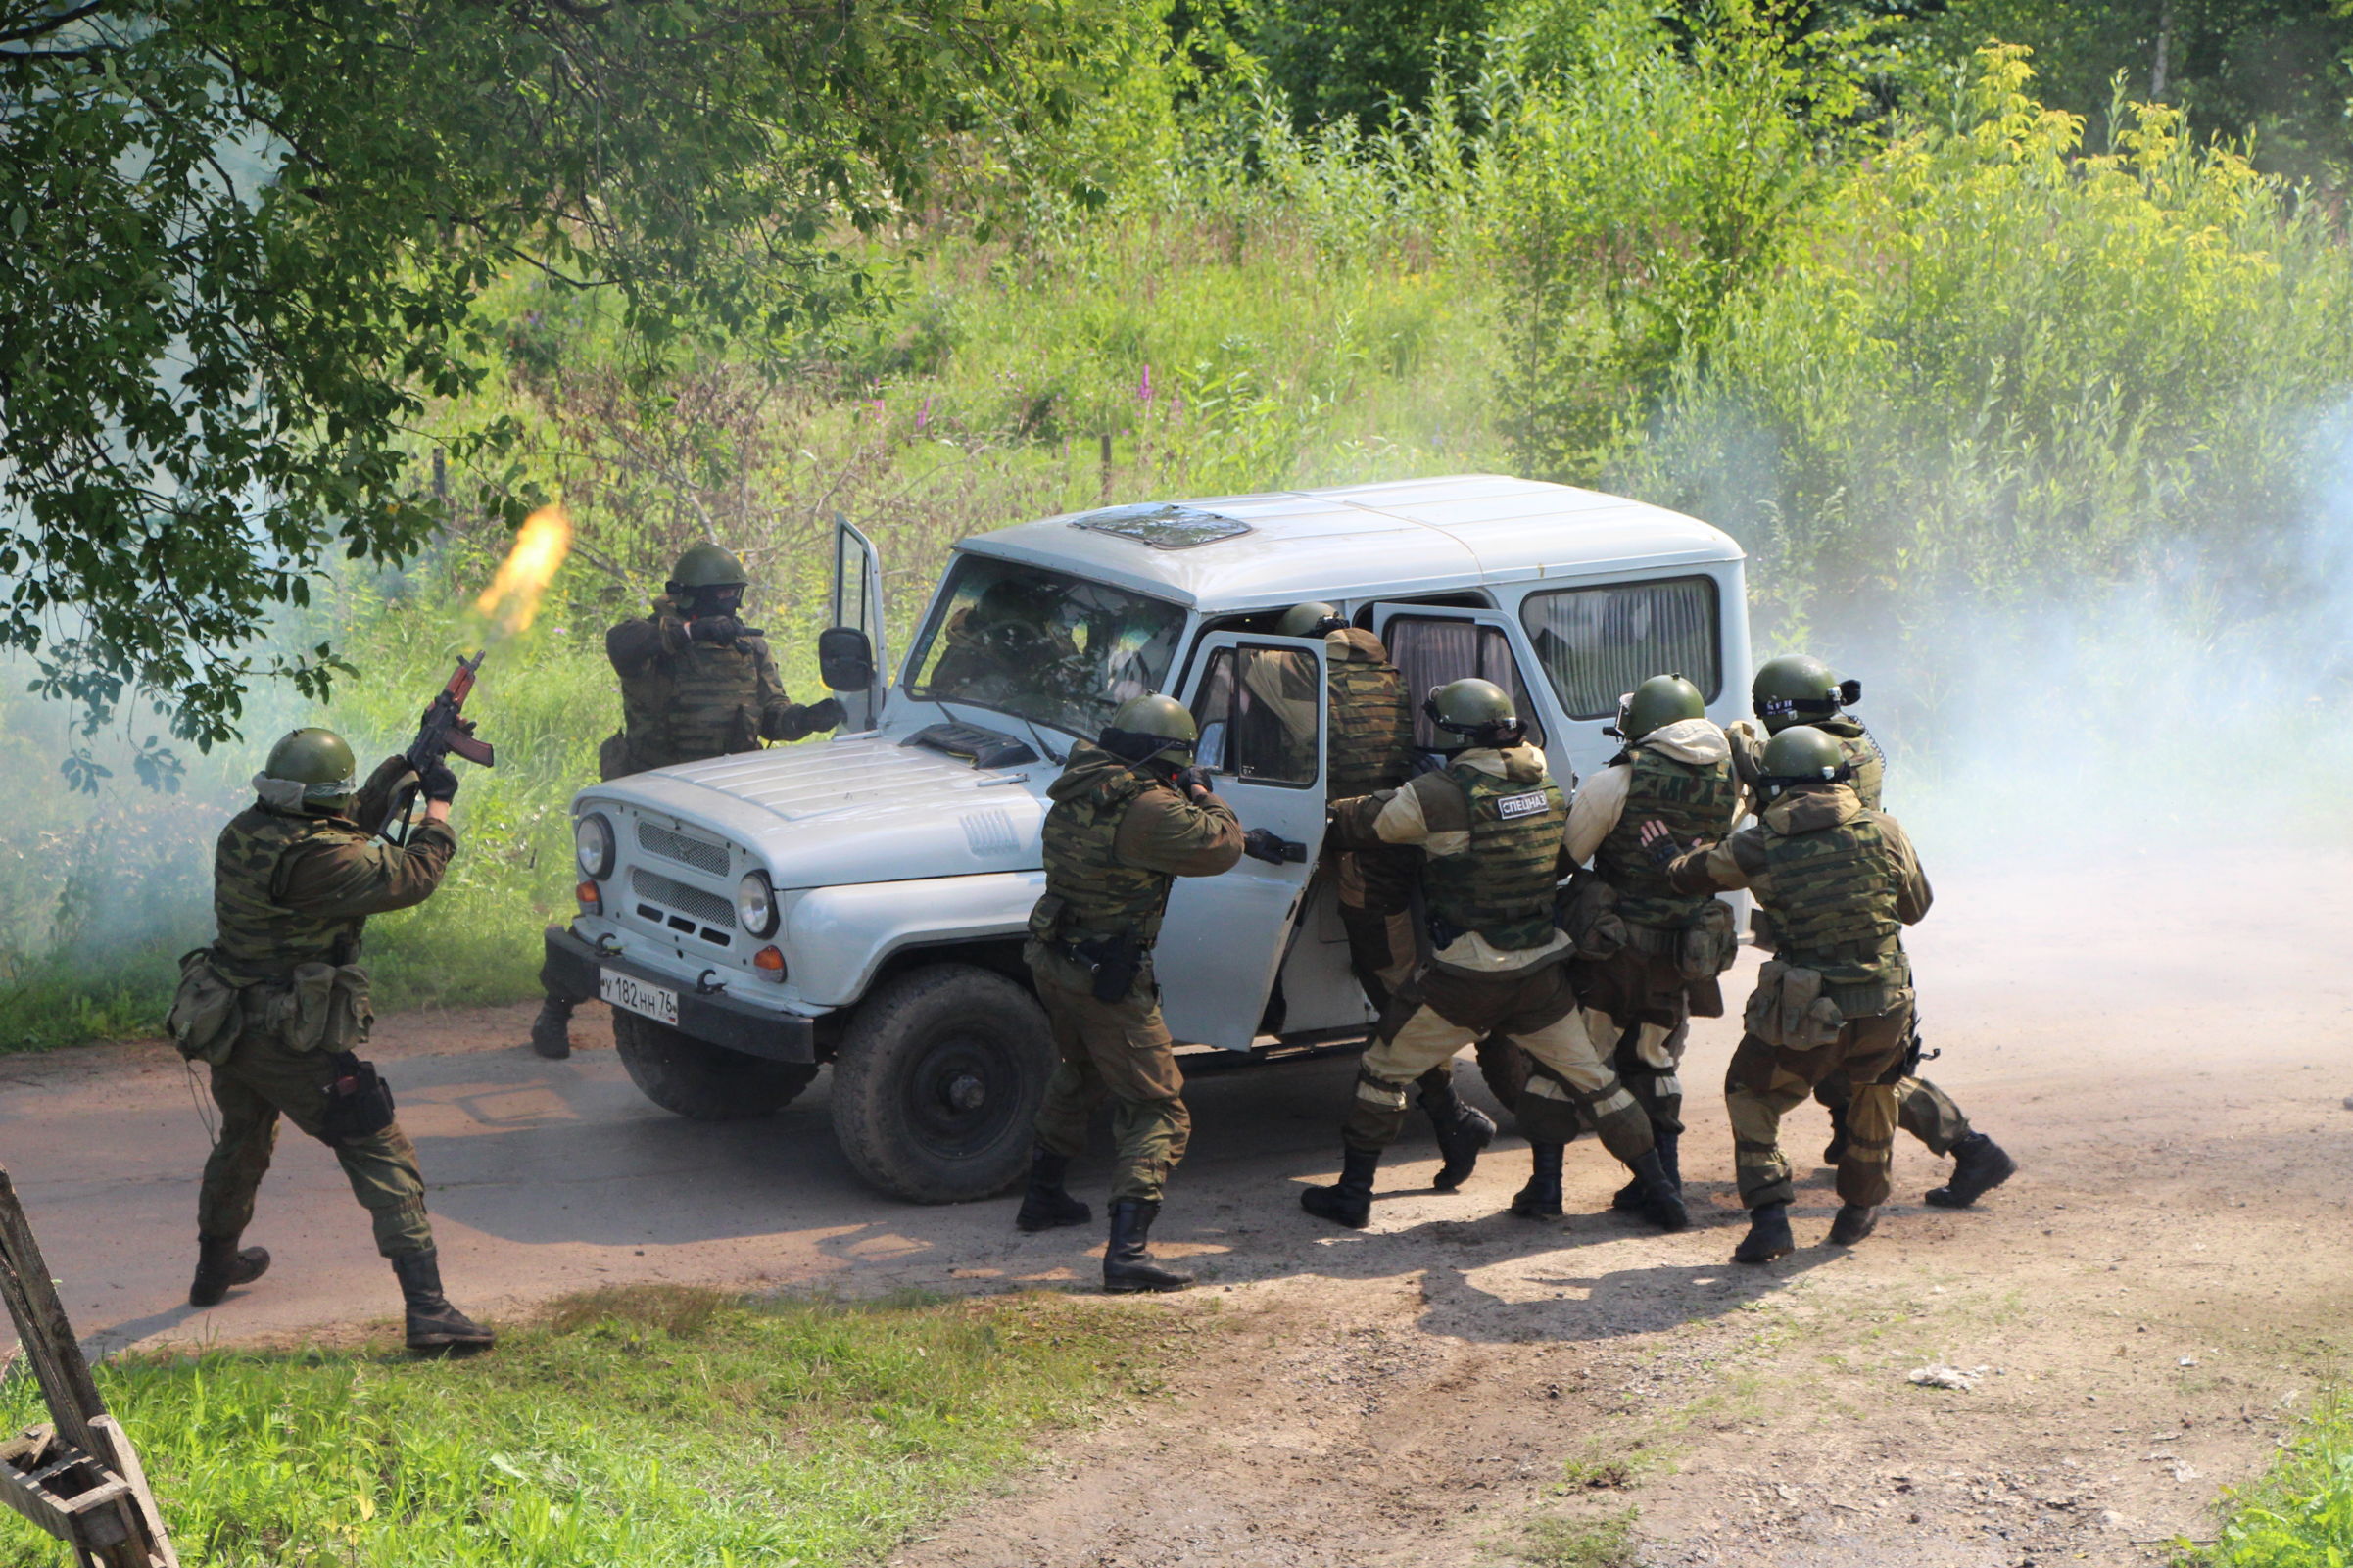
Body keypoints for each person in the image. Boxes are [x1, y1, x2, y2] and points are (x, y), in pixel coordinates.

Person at [1298, 679, 1686, 1232]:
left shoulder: (1438, 794)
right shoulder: (1544, 775)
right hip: (1539, 972)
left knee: (1381, 1072)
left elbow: (1363, 825)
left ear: (1452, 733)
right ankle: (1665, 1194)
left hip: (1466, 979)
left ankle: (1353, 1195)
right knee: (1598, 1085)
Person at [168, 728, 494, 1351]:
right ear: (327, 795)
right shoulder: (323, 861)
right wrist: (439, 811)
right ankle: (429, 1311)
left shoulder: (247, 829)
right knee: (378, 1145)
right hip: (287, 1033)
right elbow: (414, 874)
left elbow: (343, 824)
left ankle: (213, 1271)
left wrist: (408, 763)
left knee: (242, 1142)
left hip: (231, 1019)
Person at [532, 543, 843, 1058]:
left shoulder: (750, 650)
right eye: (718, 597)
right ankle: (556, 1009)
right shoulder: (652, 641)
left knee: (706, 916)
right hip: (652, 799)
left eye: (733, 596)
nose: (729, 607)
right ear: (691, 598)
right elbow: (622, 646)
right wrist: (695, 633)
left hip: (722, 804)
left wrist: (805, 720)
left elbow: (772, 713)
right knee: (616, 913)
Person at [1730, 654, 2015, 1208]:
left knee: (1861, 1065)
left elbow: (1766, 770)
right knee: (1849, 1058)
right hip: (1851, 916)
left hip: (1836, 924)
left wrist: (1737, 740)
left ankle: (1970, 1147)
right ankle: (1910, 1143)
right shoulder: (1848, 744)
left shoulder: (1825, 758)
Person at [1648, 724, 1933, 1261]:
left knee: (1751, 1092)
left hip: (1809, 1015)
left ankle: (1772, 1219)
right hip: (1886, 1006)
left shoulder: (1760, 843)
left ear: (1774, 785)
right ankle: (1858, 1209)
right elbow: (1916, 908)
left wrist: (1666, 853)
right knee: (1875, 1089)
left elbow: (1689, 876)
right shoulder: (1887, 829)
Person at [1013, 693, 1245, 1293]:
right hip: (1105, 977)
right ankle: (1128, 1254)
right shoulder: (1148, 810)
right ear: (1167, 759)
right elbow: (1224, 845)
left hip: (1056, 959)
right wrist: (1202, 791)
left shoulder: (1077, 789)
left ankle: (1042, 1197)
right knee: (1158, 1107)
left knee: (1084, 1069)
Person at [1274, 602, 1494, 1192]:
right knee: (1386, 970)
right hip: (1387, 833)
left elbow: (1271, 687)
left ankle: (1450, 1114)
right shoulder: (1384, 672)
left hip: (1364, 847)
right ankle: (1450, 1115)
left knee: (1389, 978)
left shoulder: (1307, 674)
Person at [1560, 674, 1741, 1220]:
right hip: (1683, 952)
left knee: (1583, 1066)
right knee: (1655, 1062)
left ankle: (1640, 1185)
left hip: (1614, 953)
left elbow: (1567, 859)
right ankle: (1665, 1181)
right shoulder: (1732, 781)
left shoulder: (1616, 781)